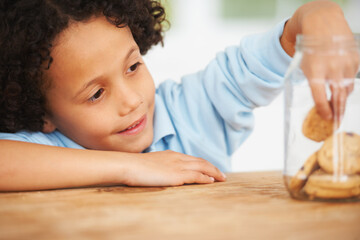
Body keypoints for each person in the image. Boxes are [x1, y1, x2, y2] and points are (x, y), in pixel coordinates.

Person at [0, 0, 358, 191]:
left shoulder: (192, 113)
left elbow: (284, 42)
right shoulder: (45, 151)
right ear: (42, 112)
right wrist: (132, 167)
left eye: (133, 67)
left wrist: (317, 13)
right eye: (96, 94)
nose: (132, 101)